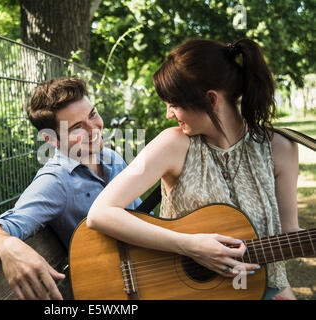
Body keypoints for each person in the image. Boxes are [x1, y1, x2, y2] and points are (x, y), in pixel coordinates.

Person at [87, 38, 299, 300]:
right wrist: (190, 246)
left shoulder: (280, 148)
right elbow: (100, 213)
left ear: (211, 99)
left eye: (174, 104)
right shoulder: (172, 144)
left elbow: (289, 235)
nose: (168, 114)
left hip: (260, 290)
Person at [0, 76, 142, 300]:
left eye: (92, 114)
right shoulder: (55, 181)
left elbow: (144, 217)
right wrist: (8, 247)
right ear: (51, 139)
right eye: (76, 127)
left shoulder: (111, 158)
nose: (93, 129)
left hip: (150, 276)